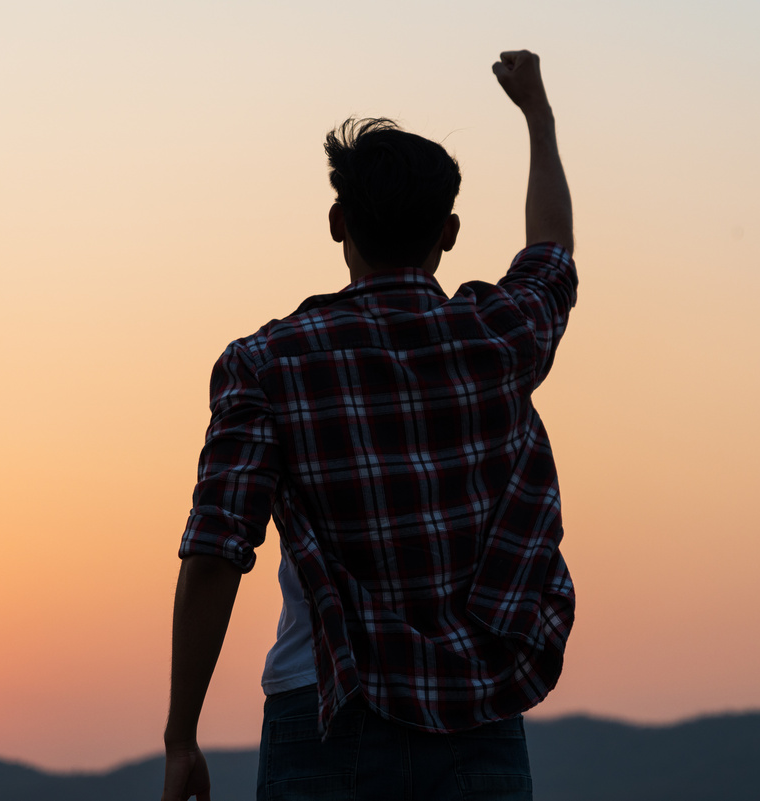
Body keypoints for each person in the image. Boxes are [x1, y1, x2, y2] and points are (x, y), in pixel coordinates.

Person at [161, 49, 576, 801]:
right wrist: (538, 120)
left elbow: (218, 549)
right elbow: (551, 254)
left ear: (337, 221)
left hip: (324, 717)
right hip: (476, 719)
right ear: (448, 233)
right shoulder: (499, 338)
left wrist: (180, 733)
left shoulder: (268, 365)